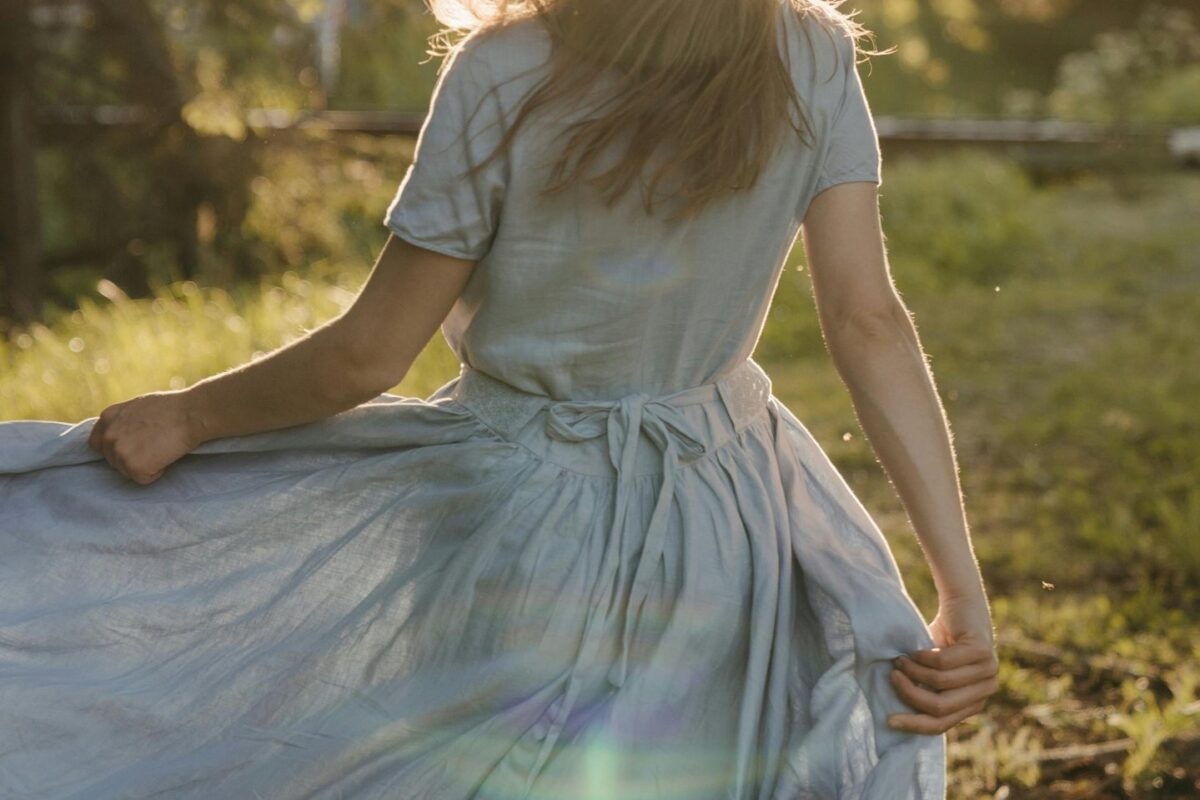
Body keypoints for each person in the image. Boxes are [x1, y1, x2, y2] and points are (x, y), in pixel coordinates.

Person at [0, 0, 998, 796]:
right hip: (724, 504)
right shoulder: (812, 55)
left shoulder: (507, 67)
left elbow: (367, 354)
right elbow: (868, 323)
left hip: (517, 517)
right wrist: (961, 586)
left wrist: (188, 414)